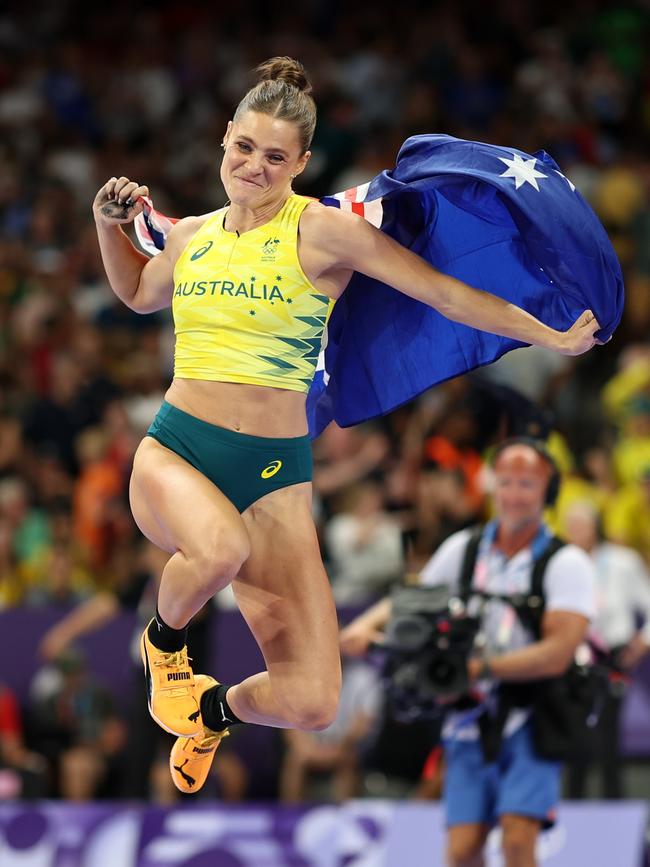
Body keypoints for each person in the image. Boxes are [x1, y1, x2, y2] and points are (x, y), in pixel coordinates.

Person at [92, 56, 601, 796]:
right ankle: (165, 651)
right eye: (244, 148)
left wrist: (547, 335)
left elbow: (442, 293)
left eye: (275, 157)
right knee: (218, 550)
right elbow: (137, 292)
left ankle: (205, 710)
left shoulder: (324, 233)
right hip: (177, 453)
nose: (255, 167)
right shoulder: (192, 235)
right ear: (224, 141)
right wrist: (110, 227)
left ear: (301, 163)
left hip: (275, 476)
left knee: (311, 698)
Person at [340, 440, 596, 867]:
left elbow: (557, 655)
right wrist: (367, 626)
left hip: (534, 716)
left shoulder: (566, 563)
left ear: (547, 493)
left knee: (518, 841)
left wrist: (480, 668)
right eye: (507, 482)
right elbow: (417, 595)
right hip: (468, 718)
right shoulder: (466, 549)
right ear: (493, 486)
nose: (514, 494)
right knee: (460, 850)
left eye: (527, 484)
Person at [563, 500, 650, 799]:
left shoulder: (622, 562)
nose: (575, 532)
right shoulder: (561, 565)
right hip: (571, 657)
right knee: (575, 736)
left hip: (613, 654)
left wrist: (642, 641)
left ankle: (615, 809)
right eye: (570, 527)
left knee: (609, 734)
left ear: (596, 527)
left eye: (581, 525)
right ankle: (571, 809)